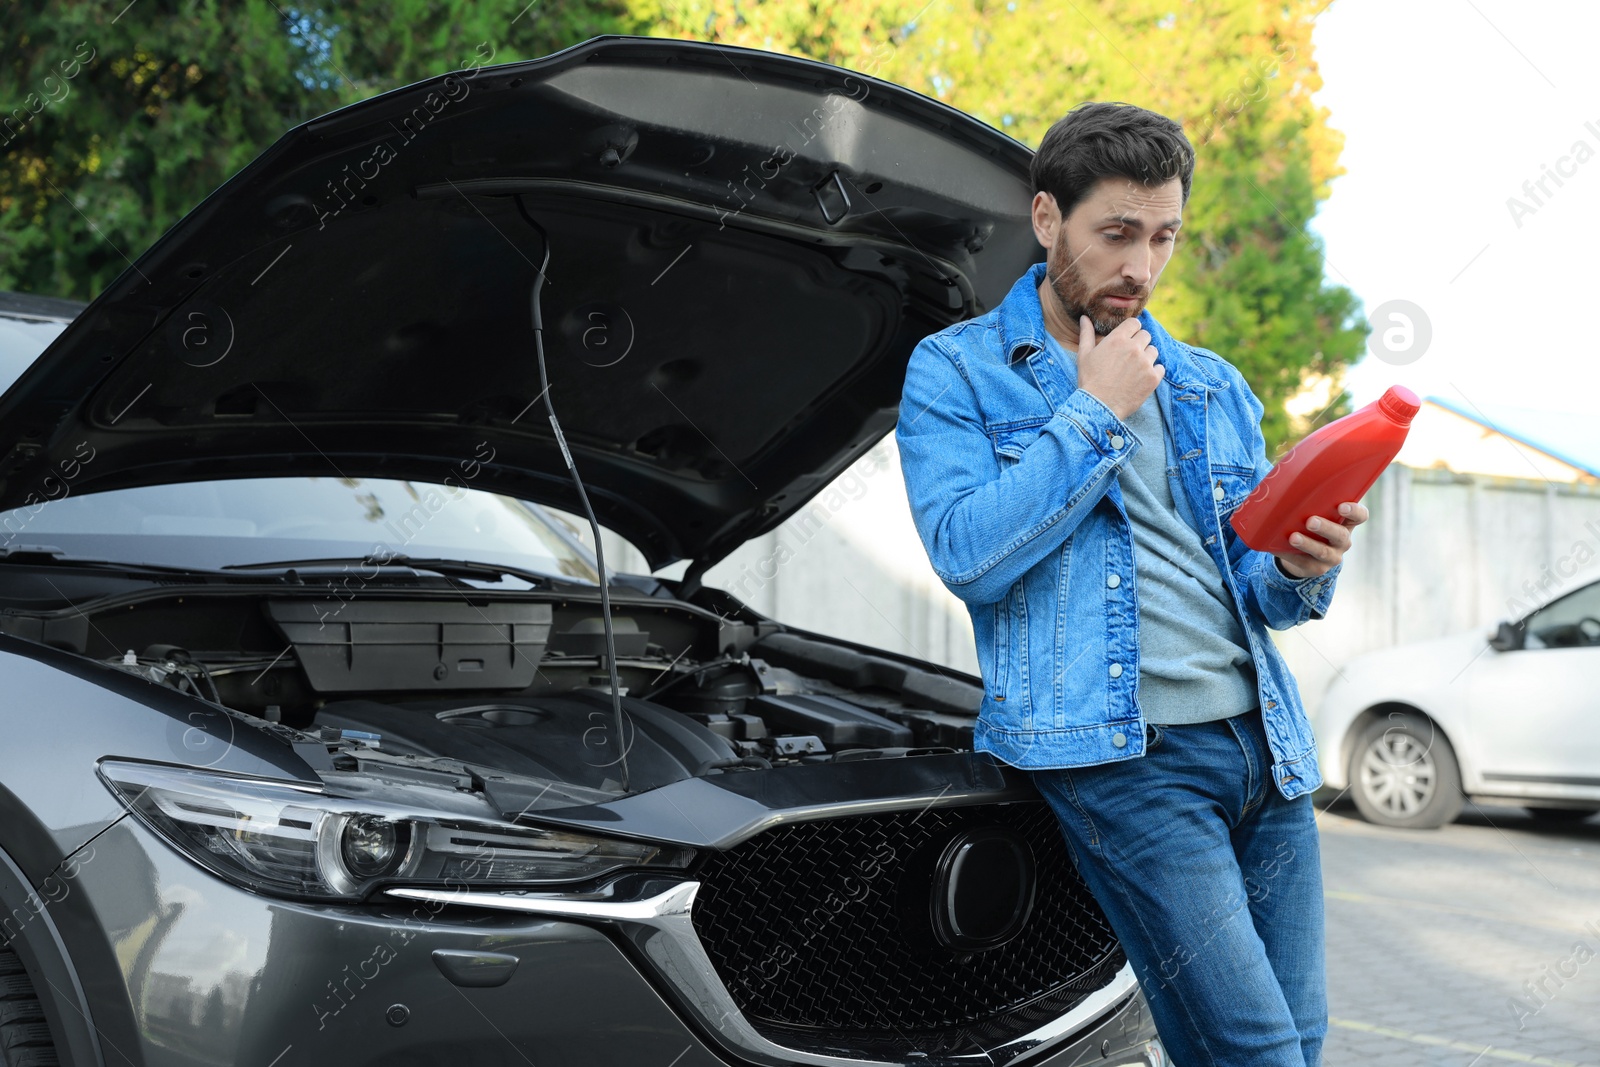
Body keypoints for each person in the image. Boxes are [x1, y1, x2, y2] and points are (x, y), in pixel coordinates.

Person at [895, 101, 1367, 1067]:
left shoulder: (1210, 383)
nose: (1141, 267)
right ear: (1045, 219)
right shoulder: (959, 371)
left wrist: (1297, 565)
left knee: (1301, 1042)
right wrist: (1095, 411)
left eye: (1163, 238)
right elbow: (969, 556)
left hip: (1265, 752)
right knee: (1254, 1049)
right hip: (1128, 760)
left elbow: (1251, 587)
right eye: (1116, 233)